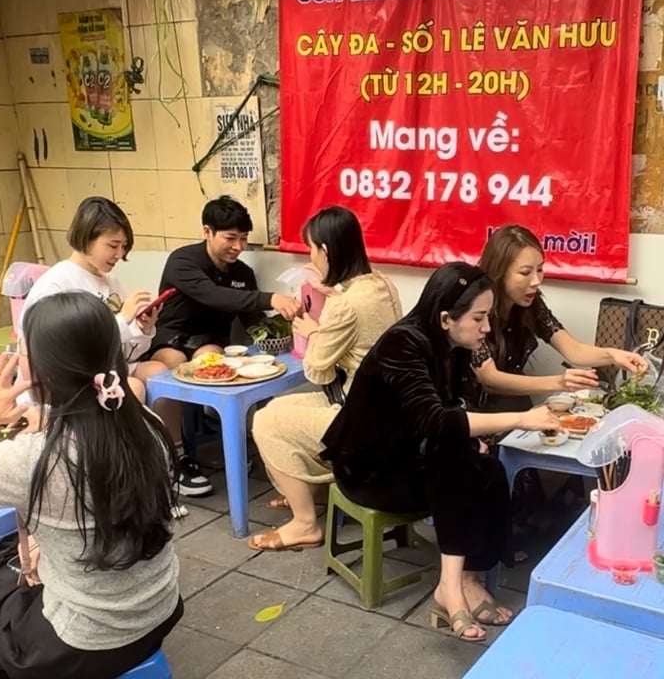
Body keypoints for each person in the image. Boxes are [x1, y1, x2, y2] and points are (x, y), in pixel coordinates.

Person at [0, 291, 182, 679]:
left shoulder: (28, 459)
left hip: (82, 643)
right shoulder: (146, 423)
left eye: (22, 349)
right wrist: (47, 418)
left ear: (41, 369)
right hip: (160, 613)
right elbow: (88, 432)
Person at [320, 262, 560, 642]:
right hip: (369, 469)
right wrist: (524, 418)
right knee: (453, 462)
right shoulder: (404, 344)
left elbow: (449, 410)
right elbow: (436, 421)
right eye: (479, 318)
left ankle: (470, 577)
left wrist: (473, 439)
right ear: (446, 317)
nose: (487, 328)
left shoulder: (454, 344)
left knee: (492, 470)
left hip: (412, 455)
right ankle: (449, 589)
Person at [20, 196, 203, 497]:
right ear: (87, 236)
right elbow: (65, 350)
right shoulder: (56, 284)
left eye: (123, 247)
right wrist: (122, 319)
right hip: (73, 378)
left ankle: (174, 455)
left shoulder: (111, 281)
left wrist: (144, 328)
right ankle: (129, 467)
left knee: (160, 371)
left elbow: (126, 348)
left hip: (108, 366)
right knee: (133, 386)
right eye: (112, 245)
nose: (119, 254)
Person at [249, 206, 402, 552]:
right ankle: (313, 493)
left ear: (326, 251)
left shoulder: (344, 305)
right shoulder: (382, 284)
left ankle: (305, 523)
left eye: (311, 250)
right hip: (387, 413)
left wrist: (313, 330)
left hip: (359, 420)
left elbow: (317, 371)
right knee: (282, 406)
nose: (310, 258)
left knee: (266, 420)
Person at [147, 195, 299, 493]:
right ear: (207, 232)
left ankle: (231, 445)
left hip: (210, 341)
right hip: (172, 337)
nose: (238, 247)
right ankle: (176, 459)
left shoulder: (243, 273)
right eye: (230, 238)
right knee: (172, 371)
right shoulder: (183, 261)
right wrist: (272, 298)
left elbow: (250, 317)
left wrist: (278, 334)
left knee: (213, 365)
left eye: (243, 239)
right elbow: (214, 295)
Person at [472, 224, 647, 413]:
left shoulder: (532, 305)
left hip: (517, 407)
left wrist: (613, 355)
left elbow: (573, 349)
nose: (536, 281)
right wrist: (559, 382)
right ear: (499, 272)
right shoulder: (476, 309)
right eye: (525, 272)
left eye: (539, 269)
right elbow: (489, 379)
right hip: (478, 412)